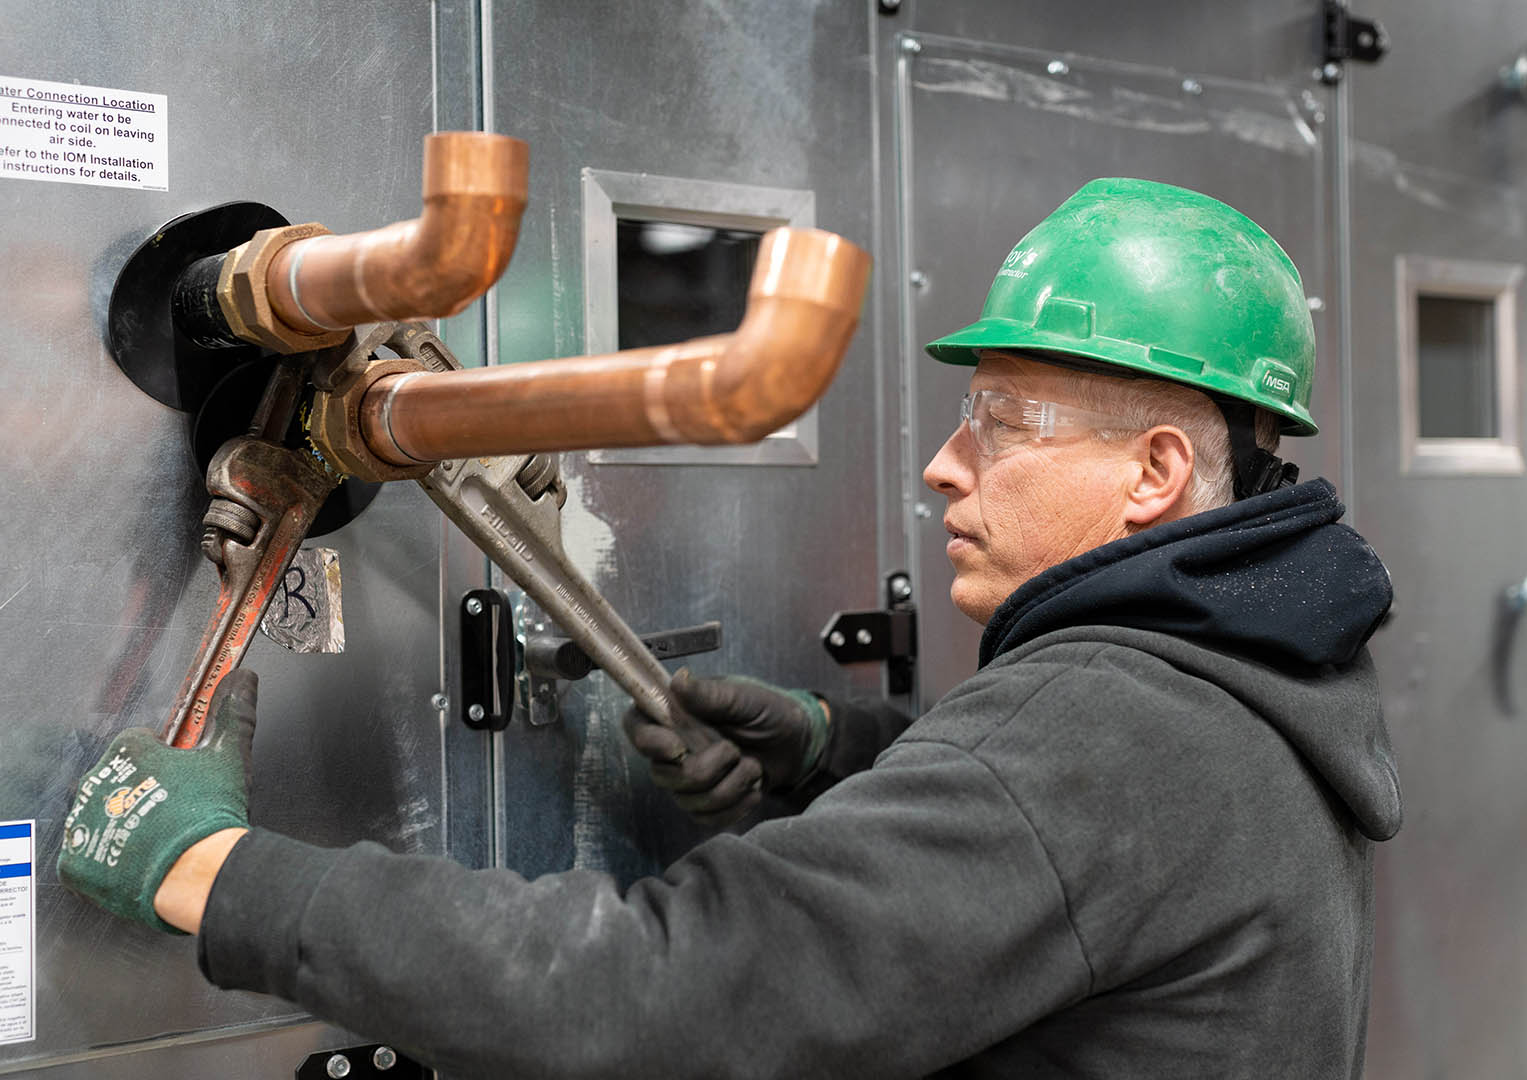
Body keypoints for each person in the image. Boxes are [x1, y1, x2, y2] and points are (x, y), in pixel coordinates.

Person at [59, 178, 1400, 1078]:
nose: (944, 466)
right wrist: (837, 751)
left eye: (994, 426)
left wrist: (214, 870)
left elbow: (655, 994)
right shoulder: (1258, 660)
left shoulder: (1101, 737)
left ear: (1155, 474)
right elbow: (1080, 856)